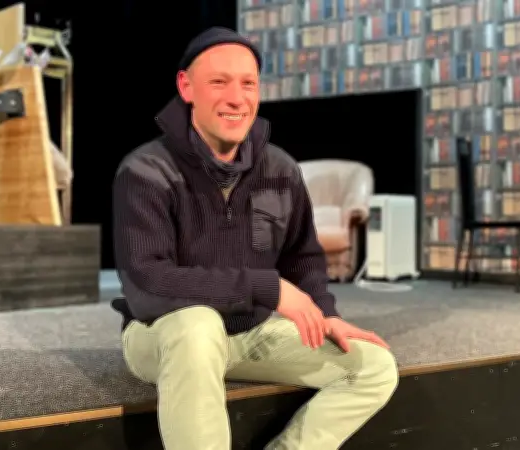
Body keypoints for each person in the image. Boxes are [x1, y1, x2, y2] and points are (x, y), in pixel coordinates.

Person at [111, 26, 399, 449]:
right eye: (219, 82)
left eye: (248, 84)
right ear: (186, 87)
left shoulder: (280, 168)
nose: (237, 98)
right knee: (197, 324)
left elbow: (303, 255)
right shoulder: (145, 172)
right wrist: (264, 287)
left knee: (374, 366)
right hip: (163, 333)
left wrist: (326, 312)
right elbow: (148, 282)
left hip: (250, 332)